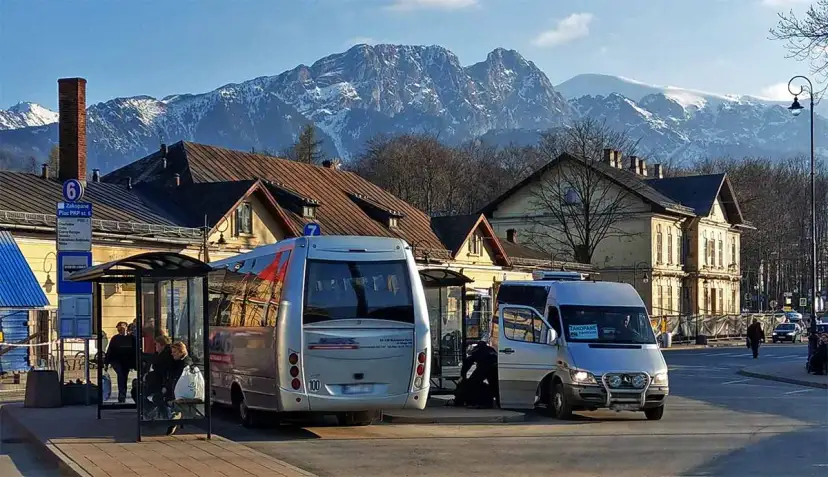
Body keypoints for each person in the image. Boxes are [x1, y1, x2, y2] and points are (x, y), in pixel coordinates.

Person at [453, 341, 499, 409]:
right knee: (495, 386)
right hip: (495, 369)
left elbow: (468, 363)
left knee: (473, 383)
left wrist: (463, 375)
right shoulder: (491, 349)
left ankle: (479, 402)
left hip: (484, 368)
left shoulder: (478, 350)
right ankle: (496, 402)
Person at [165, 341, 193, 436]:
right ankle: (175, 415)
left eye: (174, 352)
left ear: (181, 352)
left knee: (165, 398)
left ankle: (175, 415)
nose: (172, 354)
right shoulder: (178, 362)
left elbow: (179, 380)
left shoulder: (184, 363)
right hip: (177, 389)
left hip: (181, 391)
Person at [104, 321, 136, 403]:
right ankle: (121, 395)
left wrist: (135, 363)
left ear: (126, 327)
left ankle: (122, 395)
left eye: (122, 327)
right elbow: (110, 350)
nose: (120, 329)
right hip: (116, 361)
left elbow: (135, 350)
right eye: (119, 328)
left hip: (127, 362)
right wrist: (106, 363)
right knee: (121, 375)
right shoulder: (115, 338)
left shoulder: (132, 338)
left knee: (124, 377)